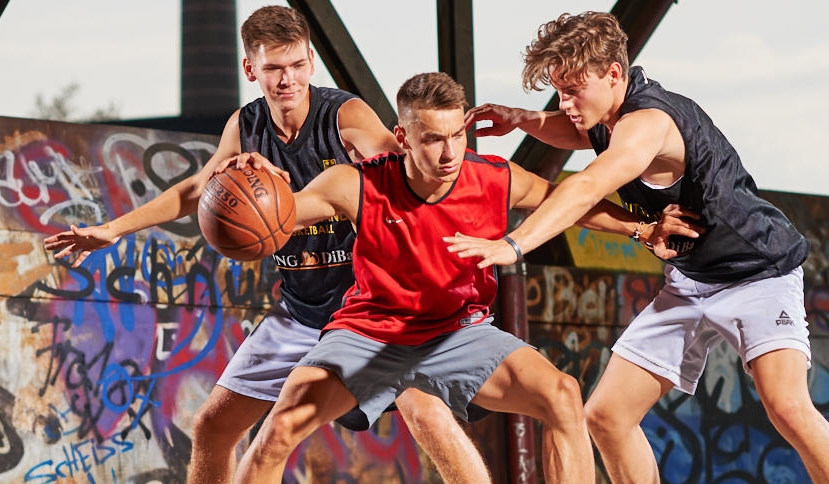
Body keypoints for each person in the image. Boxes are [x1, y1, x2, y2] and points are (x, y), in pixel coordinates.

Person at [44, 7, 489, 483]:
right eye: (274, 68)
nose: (287, 80)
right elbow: (199, 188)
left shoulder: (344, 115)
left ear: (312, 62)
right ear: (250, 69)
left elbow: (408, 173)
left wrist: (369, 183)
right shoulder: (246, 126)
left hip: (372, 307)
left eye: (297, 65)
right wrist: (115, 229)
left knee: (426, 413)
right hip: (302, 309)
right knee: (213, 426)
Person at [448, 11, 829, 484]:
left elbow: (586, 187)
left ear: (614, 73)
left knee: (787, 406)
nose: (565, 103)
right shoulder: (604, 112)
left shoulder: (648, 122)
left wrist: (513, 245)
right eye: (558, 90)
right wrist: (520, 119)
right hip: (689, 281)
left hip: (757, 274)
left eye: (573, 90)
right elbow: (578, 130)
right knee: (606, 417)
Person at [232, 72, 616, 484]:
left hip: (458, 333)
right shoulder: (357, 183)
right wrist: (251, 180)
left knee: (562, 395)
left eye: (457, 135)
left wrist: (641, 227)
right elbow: (279, 211)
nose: (450, 152)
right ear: (403, 137)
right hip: (370, 333)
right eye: (433, 139)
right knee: (279, 430)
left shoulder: (491, 177)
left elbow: (570, 199)